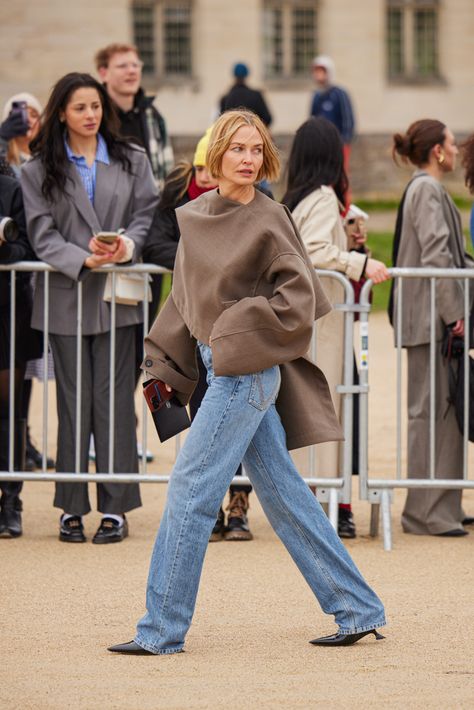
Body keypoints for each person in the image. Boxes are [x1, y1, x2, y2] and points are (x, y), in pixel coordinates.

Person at [108, 109, 386, 655]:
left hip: (249, 374)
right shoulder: (195, 215)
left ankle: (160, 631)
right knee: (284, 496)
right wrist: (161, 362)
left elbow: (300, 299)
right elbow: (184, 301)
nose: (249, 159)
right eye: (238, 149)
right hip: (216, 368)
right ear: (216, 156)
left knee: (191, 489)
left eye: (257, 150)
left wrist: (237, 327)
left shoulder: (271, 217)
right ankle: (357, 607)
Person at [21, 72, 158, 544]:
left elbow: (147, 213)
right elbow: (41, 233)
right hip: (67, 298)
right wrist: (84, 258)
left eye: (96, 106)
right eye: (80, 107)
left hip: (119, 297)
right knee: (73, 404)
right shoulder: (36, 169)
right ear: (62, 112)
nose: (90, 114)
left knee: (117, 403)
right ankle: (72, 505)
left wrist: (126, 246)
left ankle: (117, 508)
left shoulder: (131, 157)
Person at [143, 127, 255, 541]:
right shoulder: (177, 192)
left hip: (232, 326)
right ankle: (207, 511)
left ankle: (238, 505)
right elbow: (153, 244)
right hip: (190, 322)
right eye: (206, 167)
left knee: (240, 418)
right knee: (203, 416)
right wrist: (196, 259)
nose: (210, 177)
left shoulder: (246, 198)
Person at [282, 117, 389, 539]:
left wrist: (348, 240)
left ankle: (315, 496)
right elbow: (314, 249)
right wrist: (358, 261)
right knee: (325, 410)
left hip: (310, 317)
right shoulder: (324, 197)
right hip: (324, 321)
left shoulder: (301, 197)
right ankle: (323, 498)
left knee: (310, 409)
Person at [391, 119, 471, 537]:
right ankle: (425, 512)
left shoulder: (428, 188)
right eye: (452, 144)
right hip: (429, 319)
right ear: (438, 151)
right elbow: (437, 255)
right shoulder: (426, 189)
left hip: (431, 317)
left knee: (442, 413)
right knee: (429, 414)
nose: (457, 151)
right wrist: (454, 314)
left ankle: (444, 505)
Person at [0, 170, 42, 537]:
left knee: (9, 410)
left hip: (7, 312)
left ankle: (10, 501)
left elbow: (29, 247)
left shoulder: (11, 186)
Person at [95, 43, 174, 191]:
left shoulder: (153, 115)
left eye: (135, 65)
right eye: (122, 66)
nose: (131, 71)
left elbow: (167, 169)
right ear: (103, 73)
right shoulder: (95, 117)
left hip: (150, 207)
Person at [310, 56, 354, 188]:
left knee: (340, 177)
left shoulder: (339, 94)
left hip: (338, 144)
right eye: (316, 71)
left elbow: (348, 119)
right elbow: (313, 118)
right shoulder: (317, 95)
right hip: (321, 144)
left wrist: (345, 141)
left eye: (321, 71)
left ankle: (342, 207)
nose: (318, 75)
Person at [0, 93, 42, 177]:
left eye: (33, 115)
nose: (28, 120)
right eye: (21, 116)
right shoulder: (3, 160)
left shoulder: (50, 157)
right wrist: (2, 139)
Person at [220, 63, 272, 127]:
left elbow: (220, 122)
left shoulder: (225, 98)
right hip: (253, 134)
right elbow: (268, 119)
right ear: (246, 75)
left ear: (234, 75)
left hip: (232, 135)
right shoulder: (256, 96)